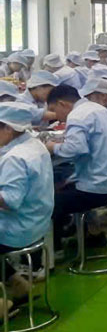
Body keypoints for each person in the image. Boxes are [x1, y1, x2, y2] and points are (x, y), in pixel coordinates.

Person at [44, 84, 107, 245]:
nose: (56, 116)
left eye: (55, 110)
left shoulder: (77, 116)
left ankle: (51, 252)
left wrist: (52, 147)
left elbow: (76, 148)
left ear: (63, 104)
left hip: (98, 188)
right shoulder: (96, 109)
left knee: (49, 202)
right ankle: (92, 234)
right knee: (64, 185)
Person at [0, 101, 54, 312]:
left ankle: (3, 307)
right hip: (37, 222)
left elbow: (10, 200)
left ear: (8, 128)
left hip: (18, 228)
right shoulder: (34, 145)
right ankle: (19, 286)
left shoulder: (15, 158)